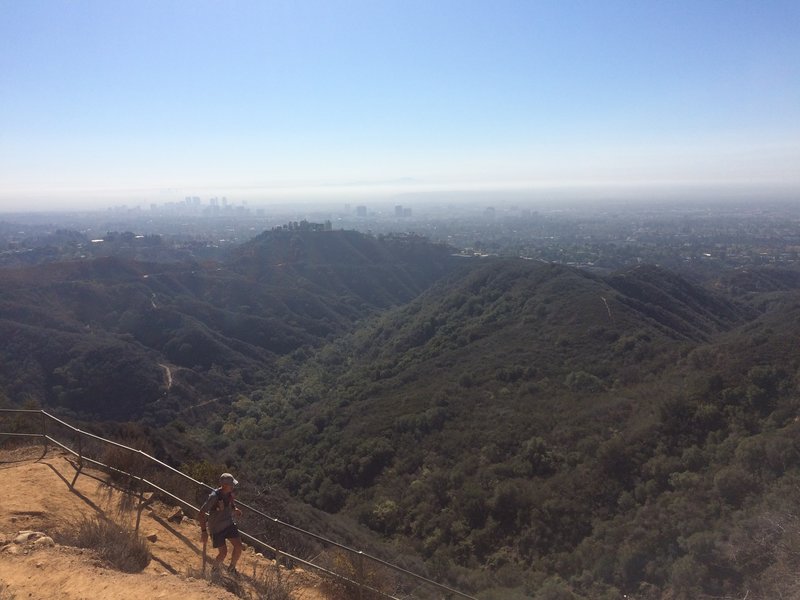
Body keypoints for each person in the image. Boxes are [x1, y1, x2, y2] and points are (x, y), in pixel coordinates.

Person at [199, 472, 243, 574]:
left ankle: (231, 569)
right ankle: (214, 571)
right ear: (225, 485)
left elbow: (231, 504)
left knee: (239, 546)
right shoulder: (214, 496)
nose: (233, 486)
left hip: (228, 523)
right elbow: (201, 513)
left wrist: (235, 509)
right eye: (231, 484)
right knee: (223, 553)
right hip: (216, 527)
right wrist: (204, 531)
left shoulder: (229, 493)